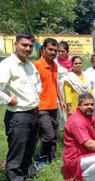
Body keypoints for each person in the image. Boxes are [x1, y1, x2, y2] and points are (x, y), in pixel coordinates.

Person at [0, 32, 41, 181]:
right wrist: (8, 99)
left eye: (30, 46)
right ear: (15, 45)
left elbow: (37, 84)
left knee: (29, 149)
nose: (27, 48)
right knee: (17, 153)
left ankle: (26, 176)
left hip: (32, 113)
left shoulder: (30, 66)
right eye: (24, 45)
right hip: (18, 116)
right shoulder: (7, 65)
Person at [34, 38, 66, 168]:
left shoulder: (55, 65)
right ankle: (40, 160)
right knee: (48, 135)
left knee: (55, 135)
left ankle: (51, 158)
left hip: (54, 106)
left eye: (55, 50)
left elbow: (55, 84)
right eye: (50, 49)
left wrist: (61, 100)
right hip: (41, 107)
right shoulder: (36, 65)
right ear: (43, 50)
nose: (53, 52)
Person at [55, 41, 73, 130]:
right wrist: (60, 98)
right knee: (65, 112)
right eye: (59, 51)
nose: (61, 53)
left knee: (74, 110)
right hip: (62, 91)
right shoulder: (55, 63)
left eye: (63, 51)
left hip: (73, 90)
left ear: (67, 51)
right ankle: (67, 131)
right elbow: (56, 81)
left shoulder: (73, 61)